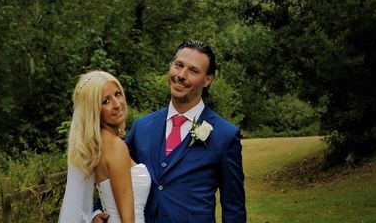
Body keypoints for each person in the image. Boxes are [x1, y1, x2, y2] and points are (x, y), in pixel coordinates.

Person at [96, 40, 246, 223]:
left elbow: (234, 208)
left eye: (193, 70)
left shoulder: (225, 135)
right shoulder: (142, 127)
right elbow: (109, 173)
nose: (181, 75)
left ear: (208, 79)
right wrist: (96, 212)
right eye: (178, 65)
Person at [59, 70, 151, 223]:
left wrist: (94, 215)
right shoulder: (116, 147)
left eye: (117, 94)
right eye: (105, 101)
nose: (117, 104)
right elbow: (128, 218)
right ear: (94, 110)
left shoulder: (97, 145)